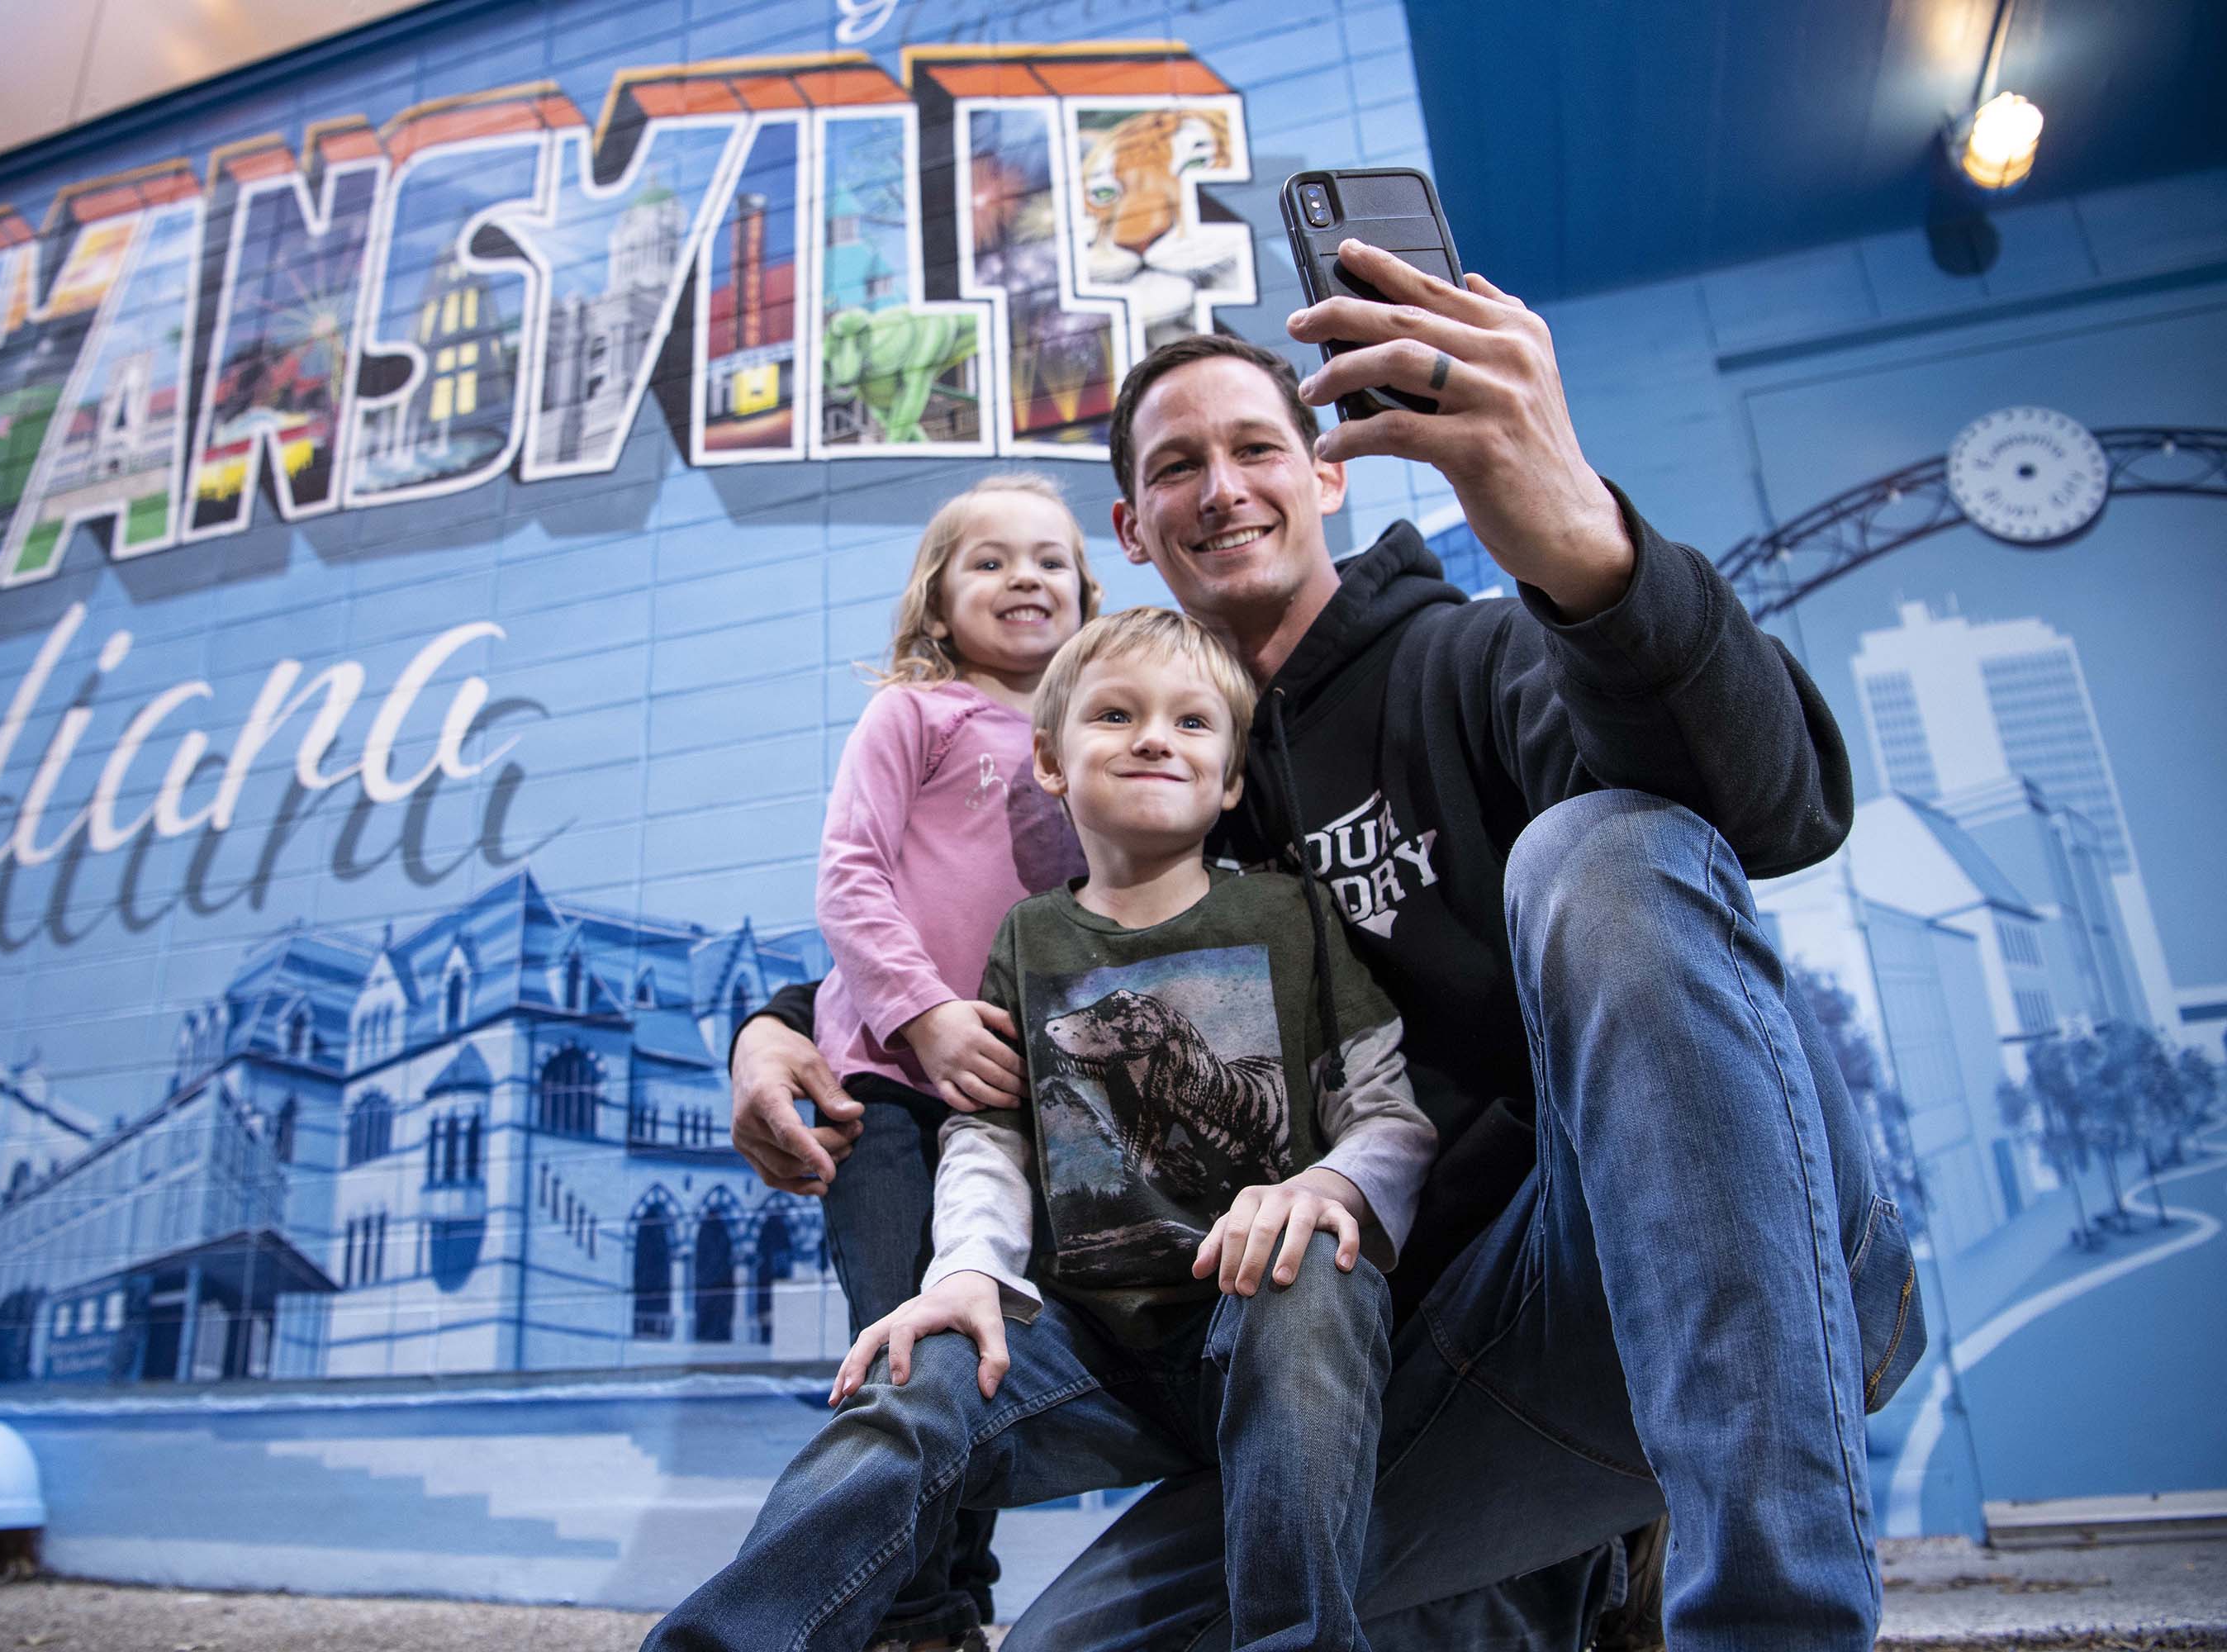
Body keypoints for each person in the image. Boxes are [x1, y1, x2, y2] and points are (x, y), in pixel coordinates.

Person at [731, 240, 1925, 1649]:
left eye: (1254, 446)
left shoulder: (1469, 661)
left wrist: (1588, 549)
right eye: (1178, 466)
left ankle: (1763, 1611)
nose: (1222, 485)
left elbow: (1771, 811)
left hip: (1652, 1271)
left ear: (1328, 474)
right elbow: (1010, 938)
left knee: (1601, 849)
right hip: (1442, 1367)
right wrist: (787, 1015)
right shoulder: (1169, 786)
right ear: (1133, 530)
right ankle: (1575, 1566)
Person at [649, 608, 1439, 1652]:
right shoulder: (1029, 934)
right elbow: (992, 1134)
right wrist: (966, 1270)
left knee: (1315, 1275)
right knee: (917, 1361)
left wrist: (1331, 1189)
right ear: (1051, 762)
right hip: (1092, 1350)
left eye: (1193, 722)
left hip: (1259, 1334)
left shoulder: (1288, 915)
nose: (1156, 737)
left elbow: (1387, 1110)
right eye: (1116, 714)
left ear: (1233, 777)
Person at [805, 470, 1099, 1652]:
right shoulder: (914, 718)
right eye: (991, 561)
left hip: (1013, 1108)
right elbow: (850, 874)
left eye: (1050, 559)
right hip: (887, 1080)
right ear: (938, 603)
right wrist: (923, 1010)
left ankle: (955, 1604)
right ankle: (907, 1617)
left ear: (1088, 592)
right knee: (901, 1339)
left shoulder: (1094, 743)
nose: (1025, 576)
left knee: (981, 1355)